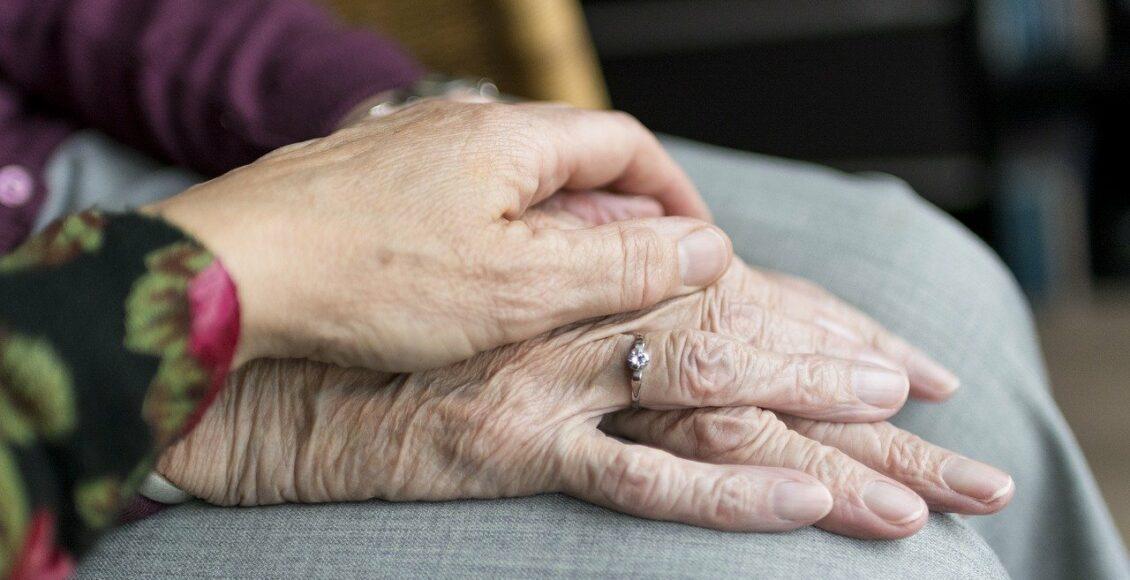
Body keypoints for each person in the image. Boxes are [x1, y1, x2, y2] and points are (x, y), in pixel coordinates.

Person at [0, 2, 1125, 580]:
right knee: (844, 561)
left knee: (925, 289)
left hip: (96, 171)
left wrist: (402, 134)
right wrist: (232, 396)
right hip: (45, 438)